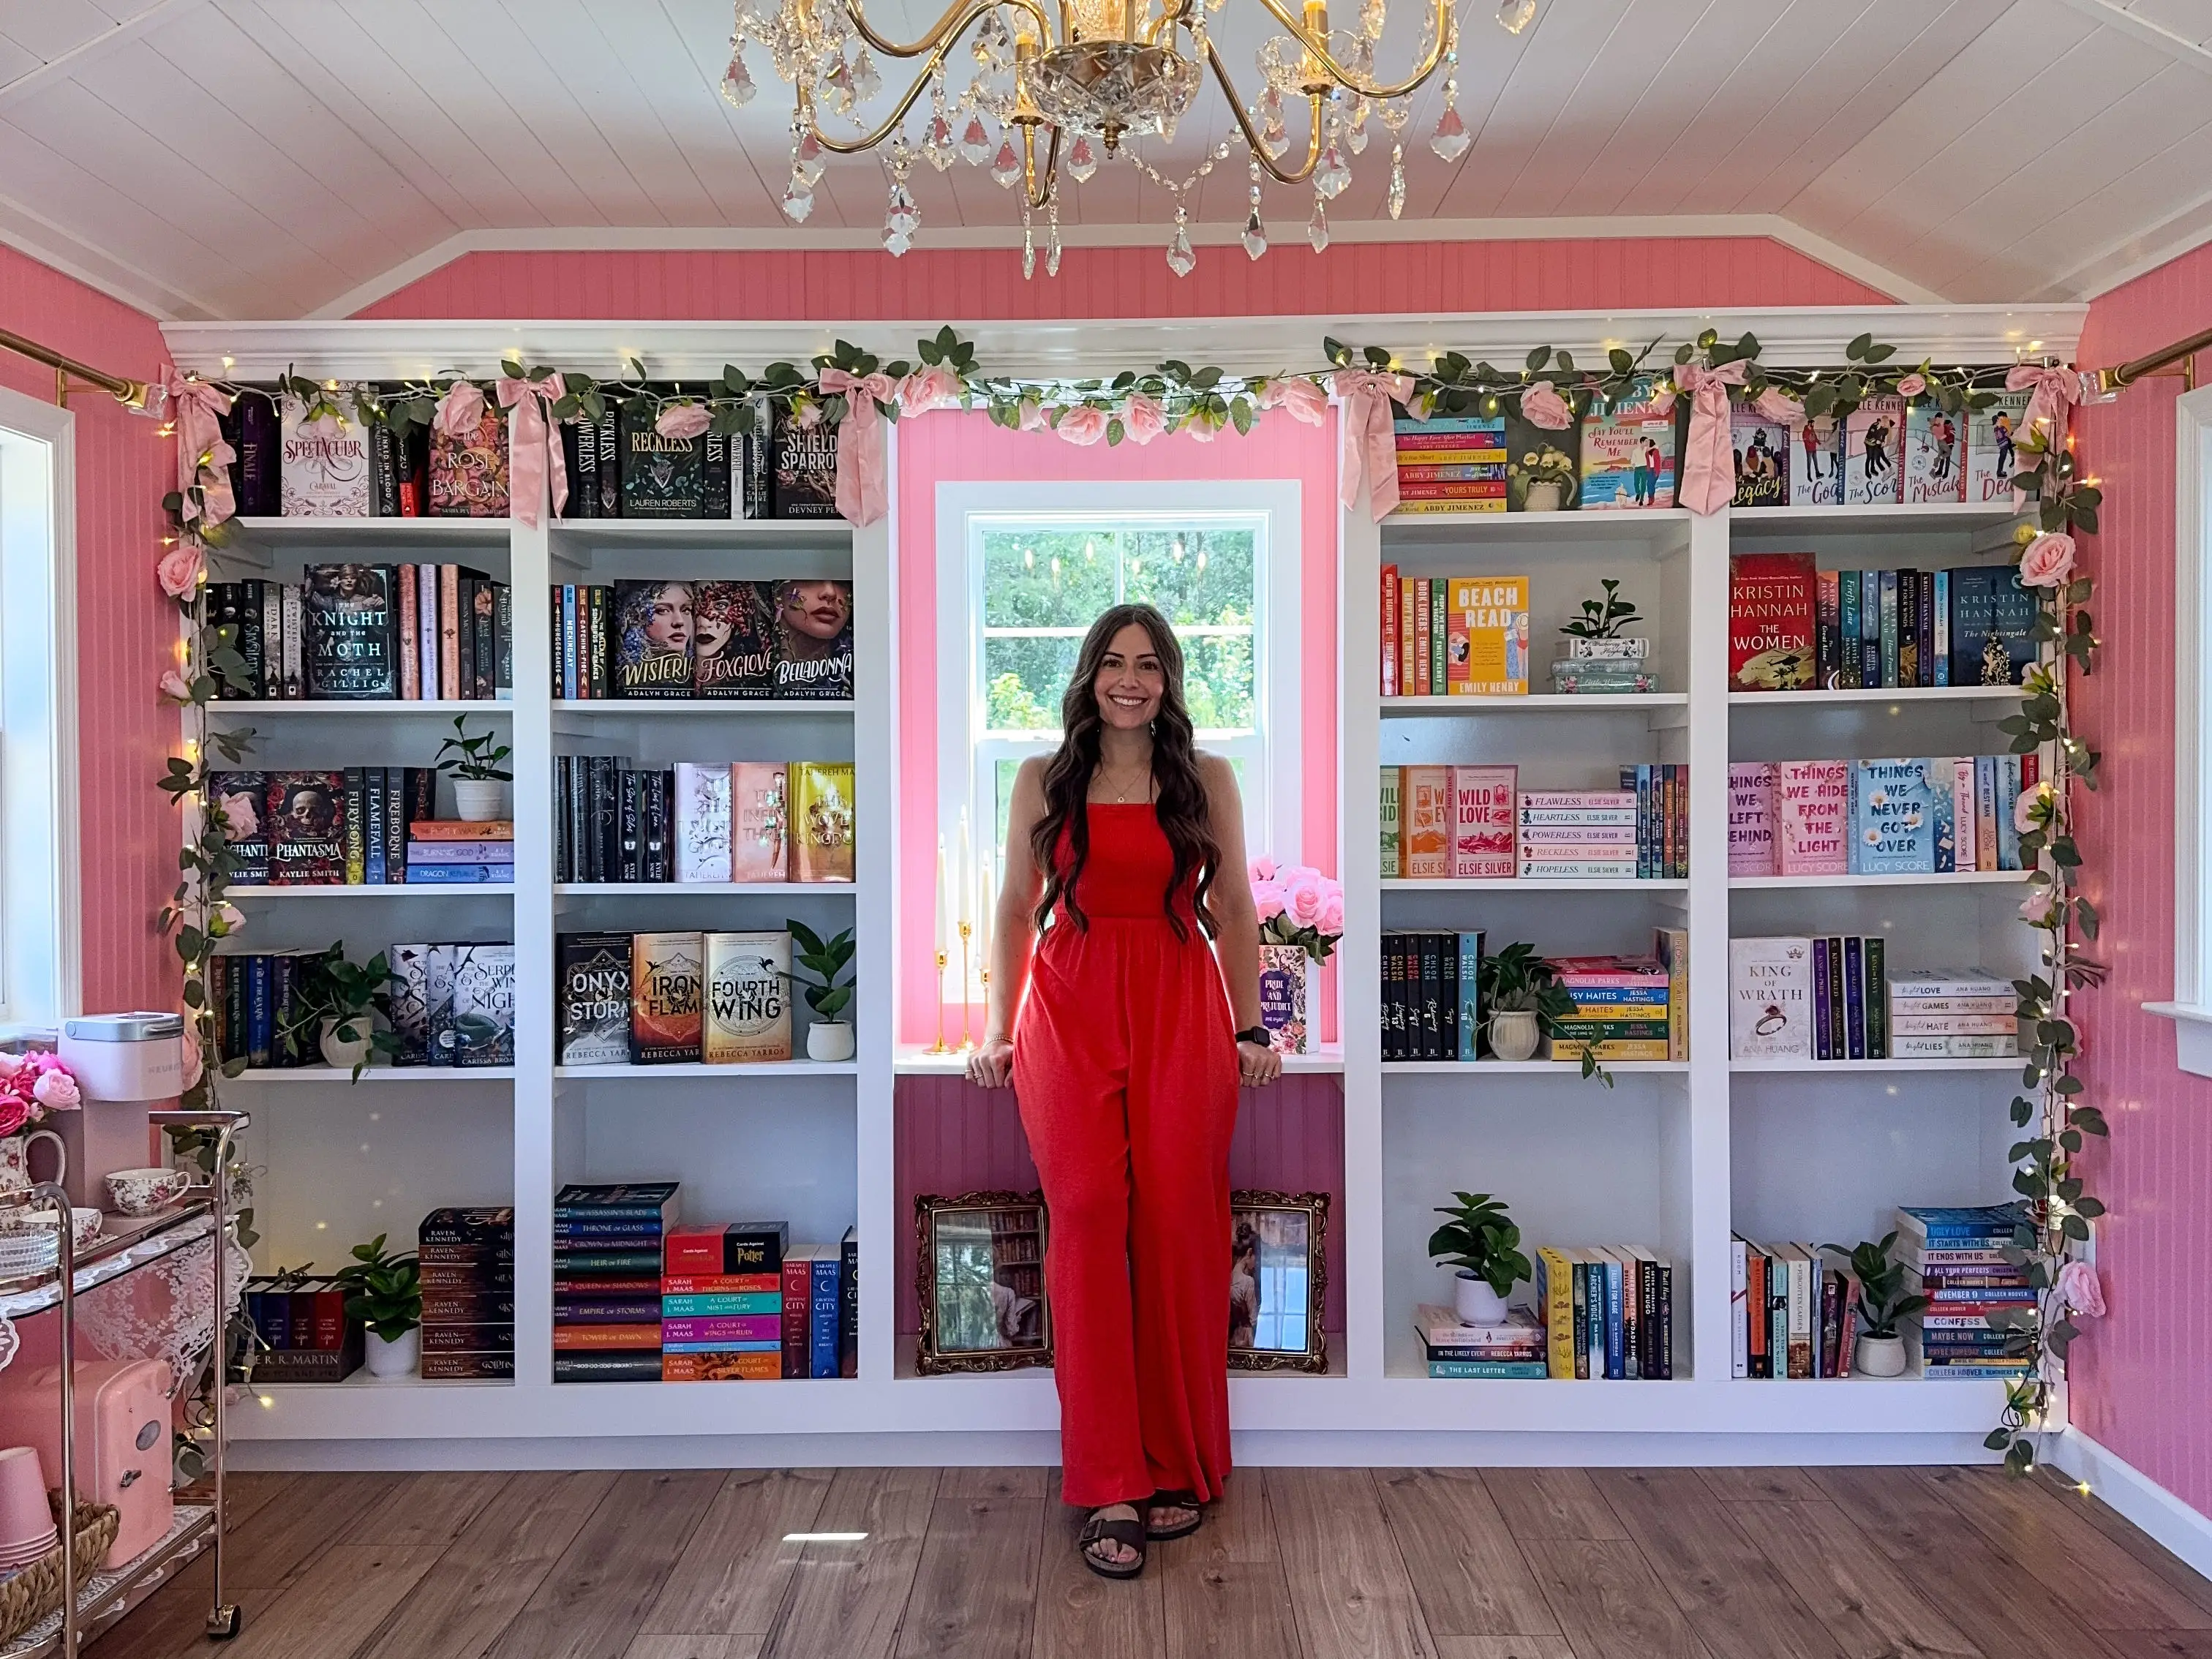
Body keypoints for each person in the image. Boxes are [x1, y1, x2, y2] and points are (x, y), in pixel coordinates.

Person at [968, 602, 1281, 1581]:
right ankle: (1109, 1478)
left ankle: (1177, 1458)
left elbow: (1232, 910)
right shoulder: (1041, 780)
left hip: (1181, 1004)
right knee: (1092, 1221)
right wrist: (992, 1026)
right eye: (1113, 663)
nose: (1130, 680)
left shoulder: (1207, 779)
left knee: (1183, 1225)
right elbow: (1016, 913)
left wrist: (1250, 1023)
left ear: (1170, 678)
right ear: (1089, 676)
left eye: (1148, 664)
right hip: (1067, 1005)